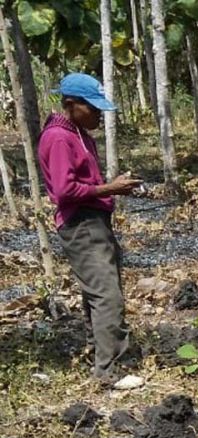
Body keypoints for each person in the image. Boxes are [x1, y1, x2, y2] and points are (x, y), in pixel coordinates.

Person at [37, 73, 143, 383]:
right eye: (93, 109)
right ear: (72, 104)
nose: (98, 115)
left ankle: (101, 354)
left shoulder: (79, 133)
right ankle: (111, 370)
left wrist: (108, 187)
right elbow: (63, 190)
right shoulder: (58, 137)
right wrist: (110, 188)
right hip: (81, 223)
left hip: (94, 220)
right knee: (107, 294)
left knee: (100, 291)